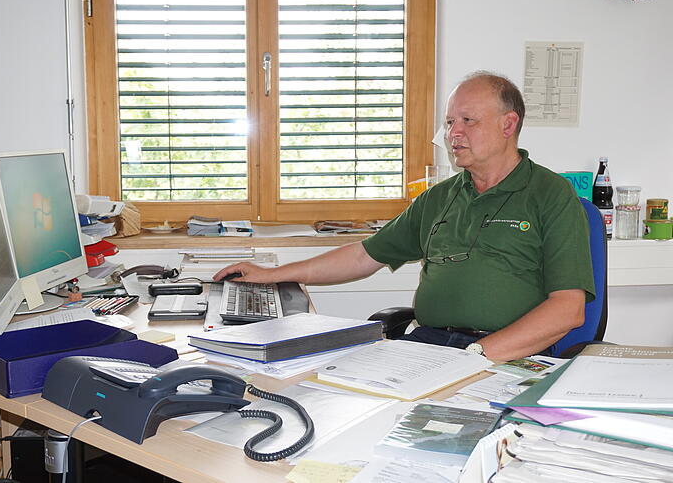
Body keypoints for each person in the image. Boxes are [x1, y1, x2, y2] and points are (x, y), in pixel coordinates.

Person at [213, 71, 595, 361]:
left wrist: (475, 355)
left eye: (467, 121)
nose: (453, 134)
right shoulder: (440, 197)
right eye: (449, 123)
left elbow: (568, 309)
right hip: (431, 344)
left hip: (506, 354)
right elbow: (364, 255)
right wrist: (273, 274)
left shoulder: (551, 195)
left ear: (508, 124)